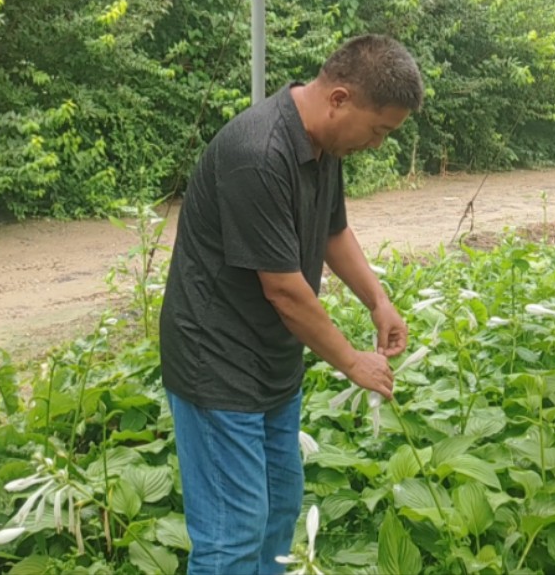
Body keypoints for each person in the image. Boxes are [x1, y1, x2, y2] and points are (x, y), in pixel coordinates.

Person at [159, 34, 424, 574]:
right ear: (341, 99)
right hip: (217, 363)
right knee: (232, 533)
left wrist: (378, 300)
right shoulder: (258, 154)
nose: (377, 144)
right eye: (379, 130)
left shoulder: (323, 146)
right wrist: (353, 362)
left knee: (278, 508)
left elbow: (332, 231)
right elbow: (283, 290)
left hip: (273, 361)